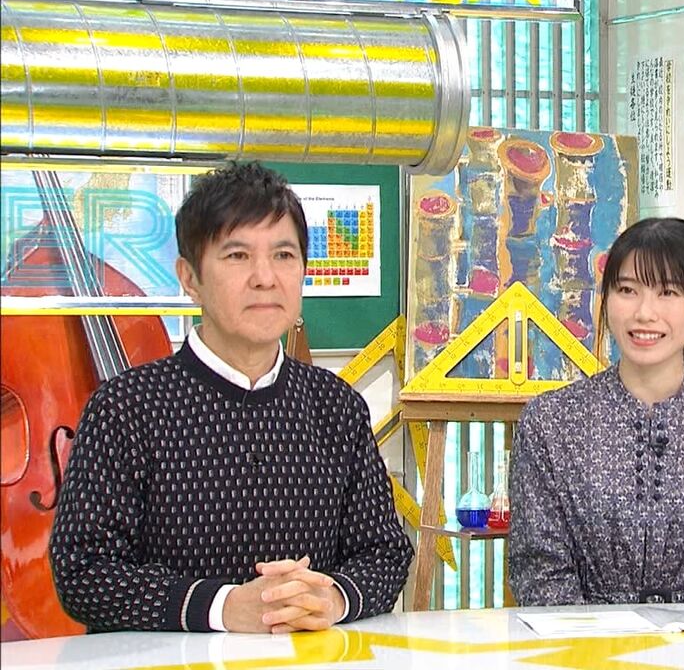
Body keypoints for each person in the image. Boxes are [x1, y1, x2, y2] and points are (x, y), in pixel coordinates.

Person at [50, 161, 413, 634]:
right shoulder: (126, 407)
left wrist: (334, 597)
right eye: (238, 255)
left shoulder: (336, 406)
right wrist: (221, 606)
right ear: (189, 277)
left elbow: (385, 552)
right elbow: (83, 572)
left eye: (284, 255)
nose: (265, 277)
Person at [509, 217, 684, 605]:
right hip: (577, 641)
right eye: (627, 290)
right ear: (605, 299)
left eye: (668, 292)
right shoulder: (549, 423)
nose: (644, 313)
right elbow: (540, 575)